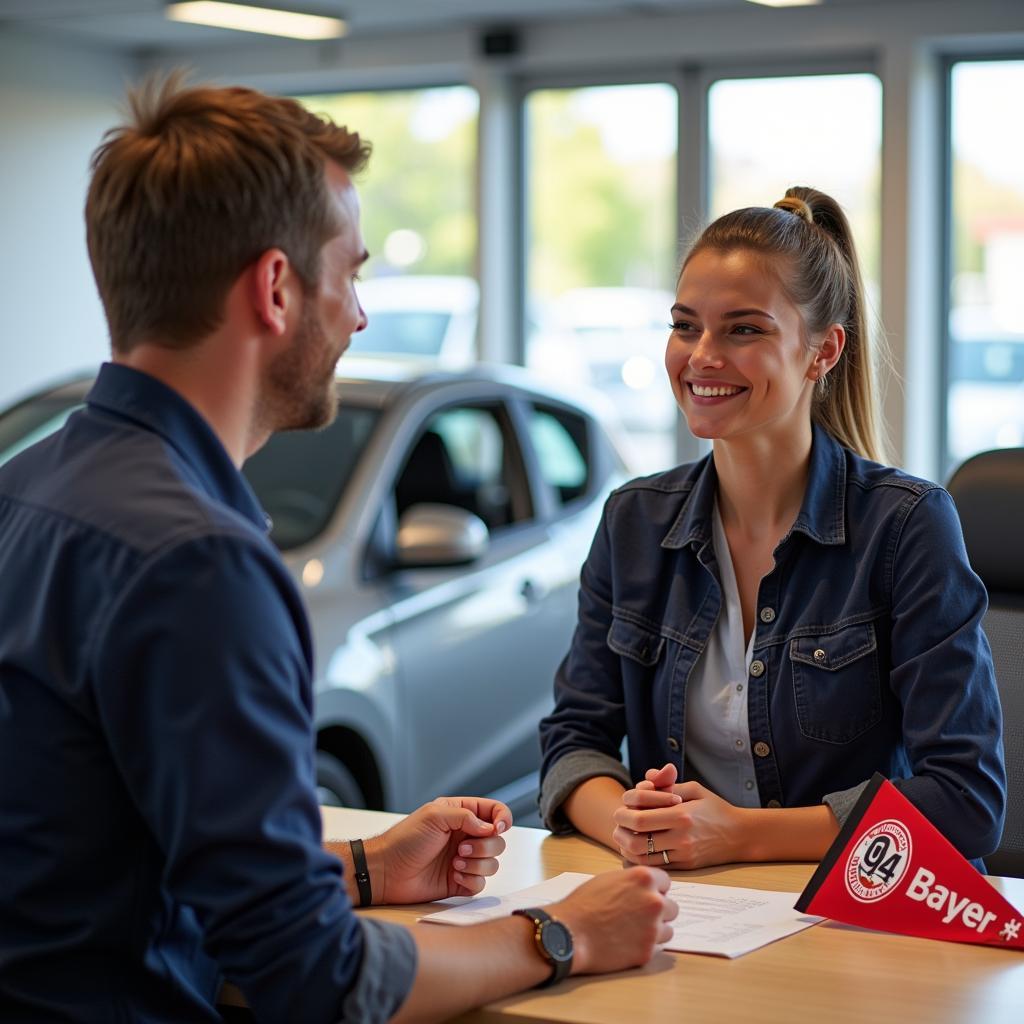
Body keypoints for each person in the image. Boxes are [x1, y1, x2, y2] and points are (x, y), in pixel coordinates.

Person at [0, 75, 677, 1024]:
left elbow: (102, 847)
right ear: (276, 288)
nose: (359, 315)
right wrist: (563, 934)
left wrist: (362, 863)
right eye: (350, 273)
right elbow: (315, 979)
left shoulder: (26, 490)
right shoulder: (201, 562)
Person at [538, 186, 1006, 872]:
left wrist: (740, 834)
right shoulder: (634, 521)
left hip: (846, 921)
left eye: (743, 329)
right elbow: (574, 741)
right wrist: (629, 825)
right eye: (685, 324)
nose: (701, 356)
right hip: (681, 911)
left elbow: (966, 800)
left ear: (823, 351)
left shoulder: (905, 526)